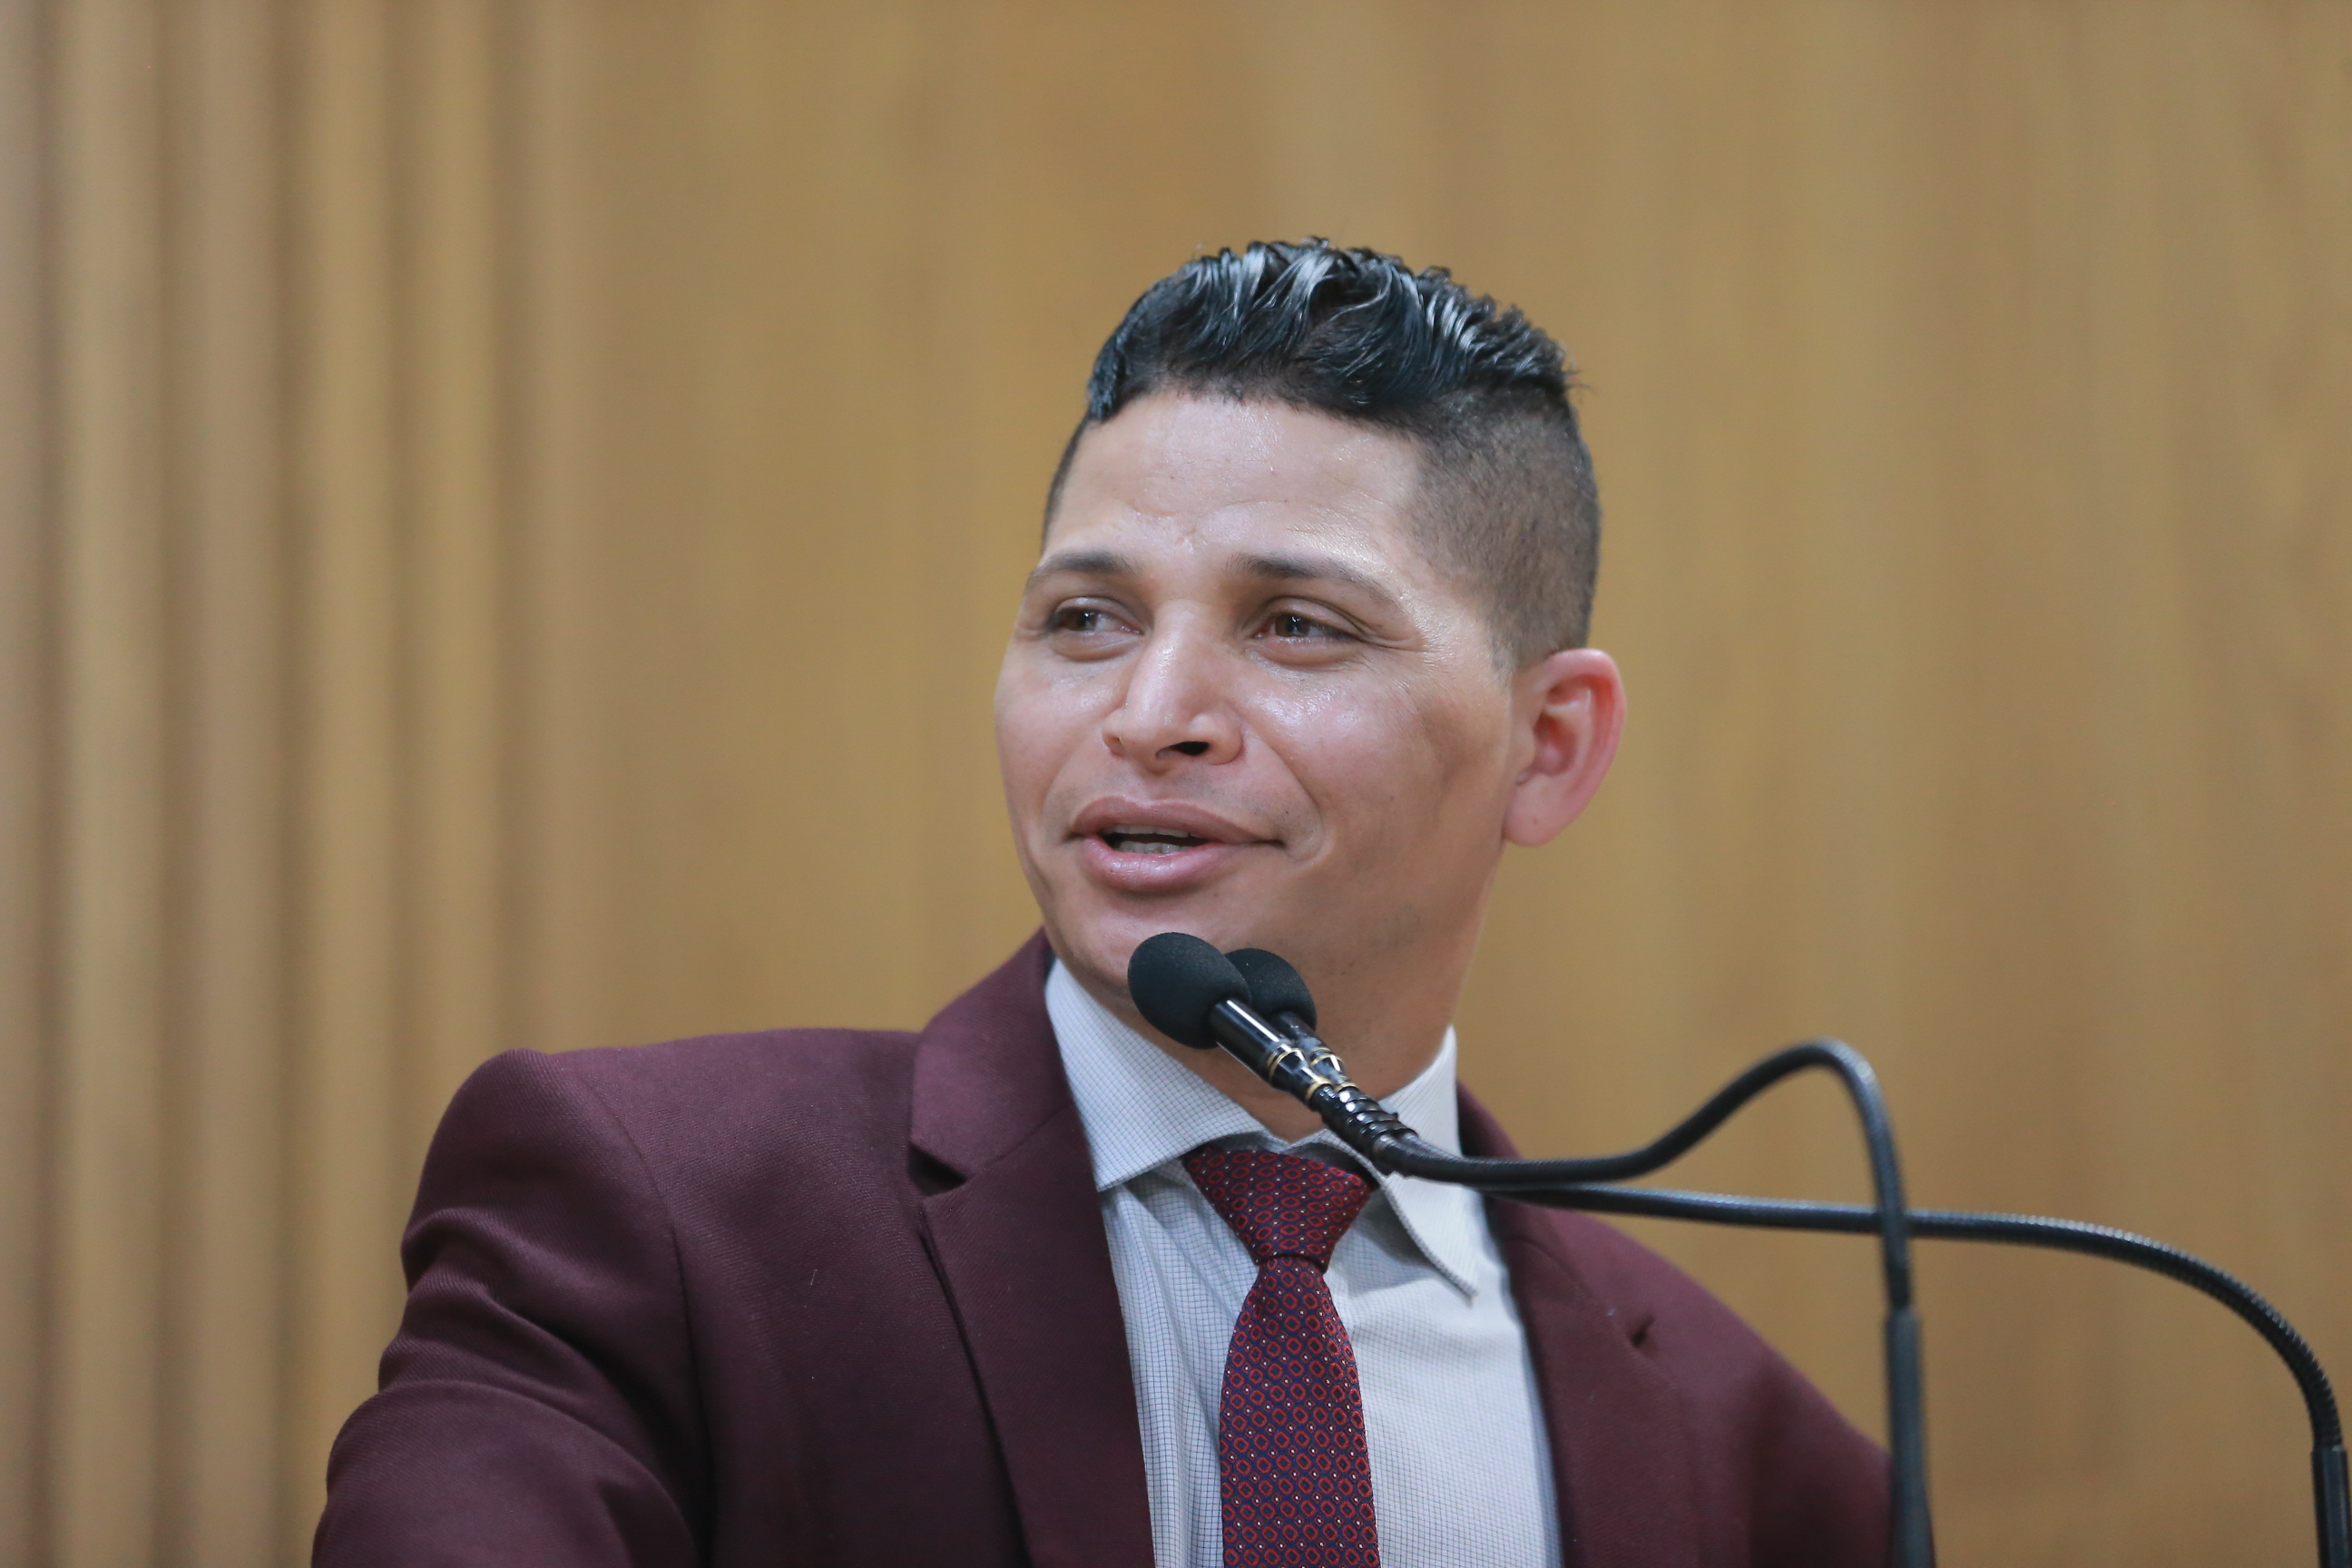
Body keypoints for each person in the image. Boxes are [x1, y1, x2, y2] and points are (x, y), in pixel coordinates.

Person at [315, 240, 1886, 1568]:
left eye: (1296, 626)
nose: (1149, 714)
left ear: (1548, 746)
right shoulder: (653, 1220)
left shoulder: (1749, 1453)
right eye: (1086, 619)